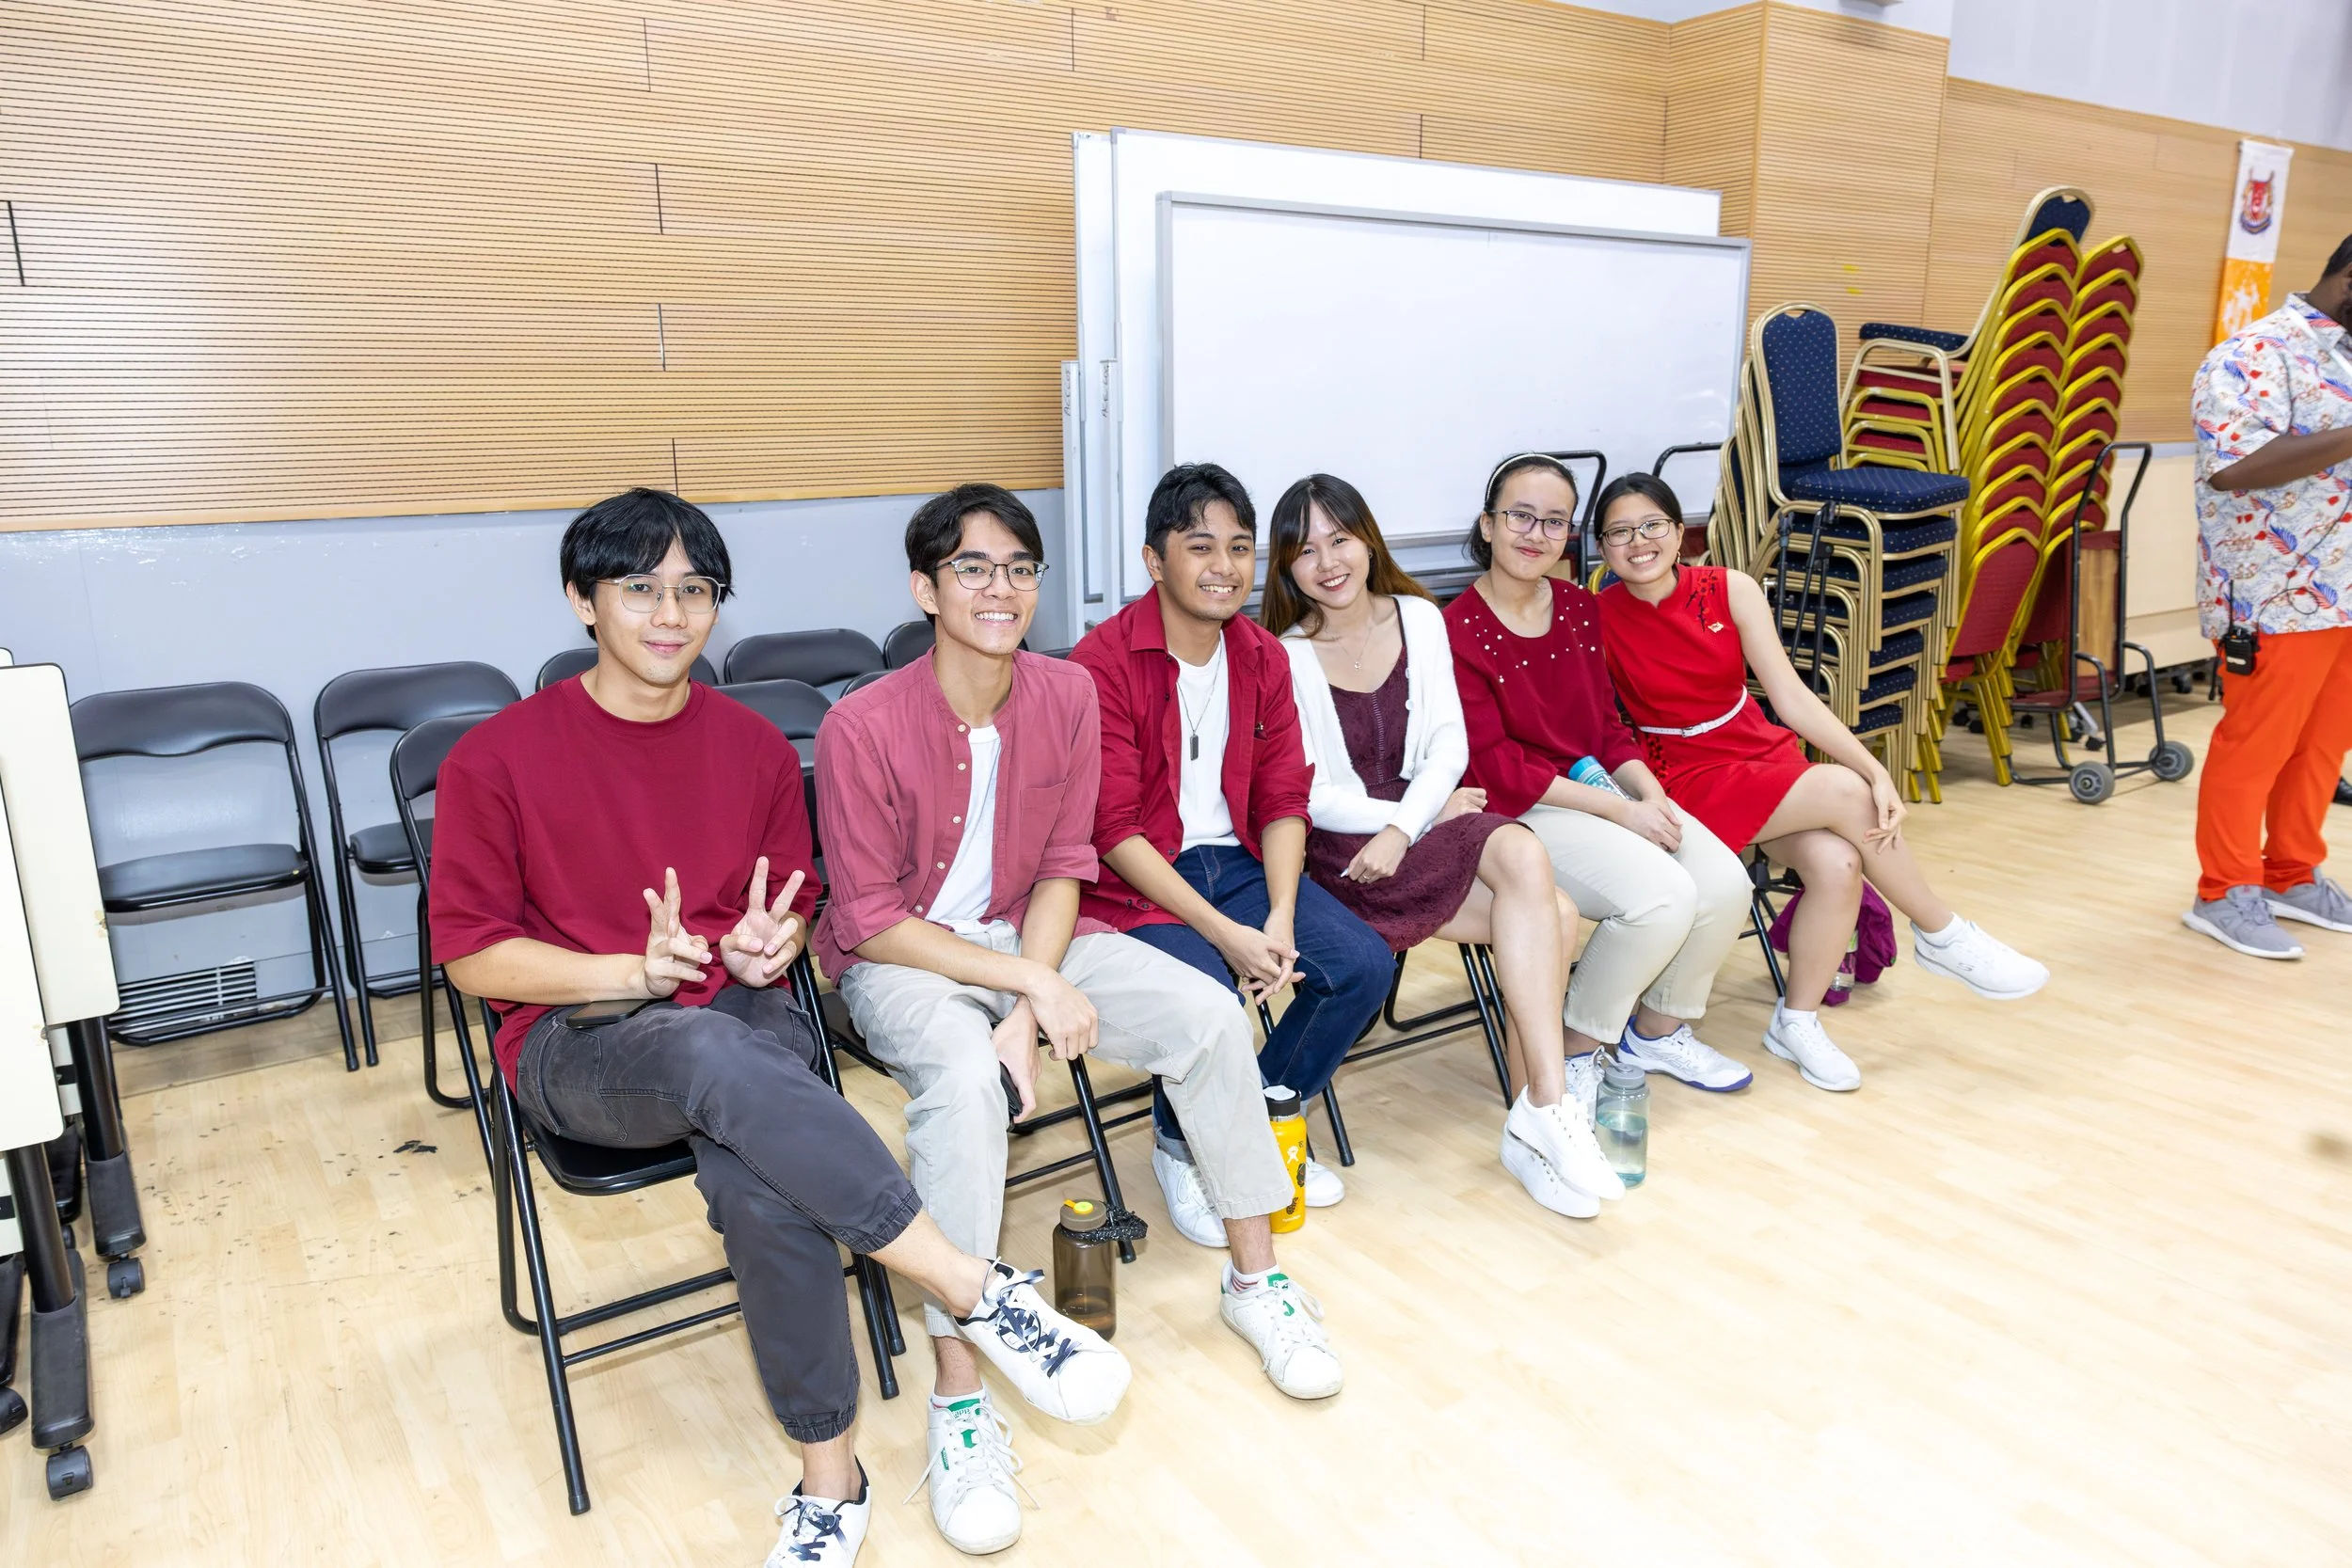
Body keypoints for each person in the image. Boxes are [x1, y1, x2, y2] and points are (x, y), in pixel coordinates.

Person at [428, 489, 1128, 1568]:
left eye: (694, 590)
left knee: (765, 1177)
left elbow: (793, 910)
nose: (671, 614)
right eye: (640, 588)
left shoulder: (753, 746)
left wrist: (774, 943)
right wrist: (627, 969)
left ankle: (830, 1482)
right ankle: (973, 1286)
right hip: (580, 1033)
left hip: (738, 1012)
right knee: (713, 1054)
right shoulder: (496, 757)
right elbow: (473, 956)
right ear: (581, 599)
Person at [817, 484, 1343, 1554]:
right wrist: (1023, 989)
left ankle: (1256, 1278)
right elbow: (869, 918)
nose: (1000, 588)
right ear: (924, 588)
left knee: (1208, 1014)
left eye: (1020, 568)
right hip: (908, 959)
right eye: (972, 568)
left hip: (1038, 935)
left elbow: (1065, 863)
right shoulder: (859, 725)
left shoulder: (1063, 693)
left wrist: (1032, 990)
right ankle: (962, 1397)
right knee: (965, 1082)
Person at [1590, 472, 2049, 1090]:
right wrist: (1865, 778)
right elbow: (1595, 725)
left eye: (1652, 525)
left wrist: (1876, 768)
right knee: (1846, 792)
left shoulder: (1730, 589)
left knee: (1838, 863)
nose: (1638, 542)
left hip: (1754, 749)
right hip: (1680, 773)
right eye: (1619, 532)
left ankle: (1797, 1021)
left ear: (1680, 532)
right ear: (1603, 547)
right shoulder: (1595, 617)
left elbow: (1790, 696)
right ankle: (1942, 933)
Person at [1260, 473, 1622, 1217]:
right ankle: (1540, 1121)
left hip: (1415, 824)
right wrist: (1411, 821)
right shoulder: (1286, 654)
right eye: (1306, 549)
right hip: (1346, 854)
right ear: (1287, 566)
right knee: (1549, 910)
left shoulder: (1419, 618)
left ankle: (1542, 1112)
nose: (1327, 561)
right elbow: (1315, 794)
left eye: (1340, 539)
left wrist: (1409, 825)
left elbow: (1449, 747)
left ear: (1368, 540)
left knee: (1533, 874)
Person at [1070, 464, 1393, 1227]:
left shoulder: (1261, 654)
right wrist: (1225, 935)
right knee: (1209, 991)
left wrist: (1278, 914)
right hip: (1139, 880)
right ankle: (1183, 1145)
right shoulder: (1100, 663)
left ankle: (1253, 1122)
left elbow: (1283, 798)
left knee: (1360, 965)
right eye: (1200, 546)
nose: (1225, 566)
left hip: (1242, 865)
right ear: (1155, 561)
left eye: (1240, 547)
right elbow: (1112, 830)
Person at [1445, 453, 1757, 1099]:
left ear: (1569, 534)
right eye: (1520, 516)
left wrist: (1651, 794)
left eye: (1554, 521)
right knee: (1661, 899)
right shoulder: (1457, 628)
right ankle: (1575, 1050)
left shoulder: (1578, 607)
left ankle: (1654, 1033)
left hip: (1597, 788)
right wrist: (1620, 810)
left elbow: (1607, 726)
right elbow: (1497, 764)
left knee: (1725, 882)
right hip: (1517, 809)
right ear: (1488, 524)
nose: (1536, 534)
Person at [2182, 237, 2352, 958]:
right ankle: (2223, 890)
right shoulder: (2254, 354)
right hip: (2274, 595)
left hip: (2346, 596)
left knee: (2321, 747)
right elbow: (2234, 466)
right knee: (2256, 747)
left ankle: (2291, 872)